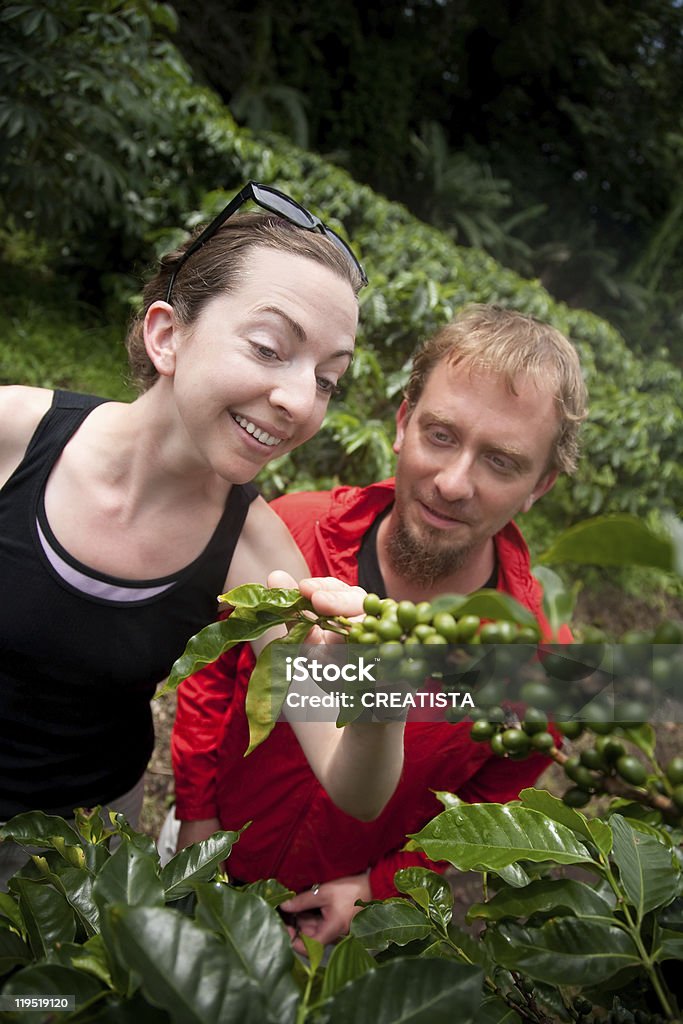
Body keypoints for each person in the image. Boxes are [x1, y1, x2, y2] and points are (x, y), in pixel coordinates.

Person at [0, 182, 406, 890]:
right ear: (167, 335)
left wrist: (380, 690)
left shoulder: (259, 556)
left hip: (72, 857)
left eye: (328, 379)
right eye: (269, 348)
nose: (299, 401)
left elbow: (352, 783)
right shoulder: (12, 438)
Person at [170, 304, 587, 950]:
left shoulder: (543, 665)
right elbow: (215, 674)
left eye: (501, 462)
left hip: (328, 917)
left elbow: (487, 803)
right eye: (440, 435)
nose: (452, 484)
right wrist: (196, 818)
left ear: (541, 485)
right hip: (211, 850)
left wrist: (379, 887)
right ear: (401, 424)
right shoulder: (290, 533)